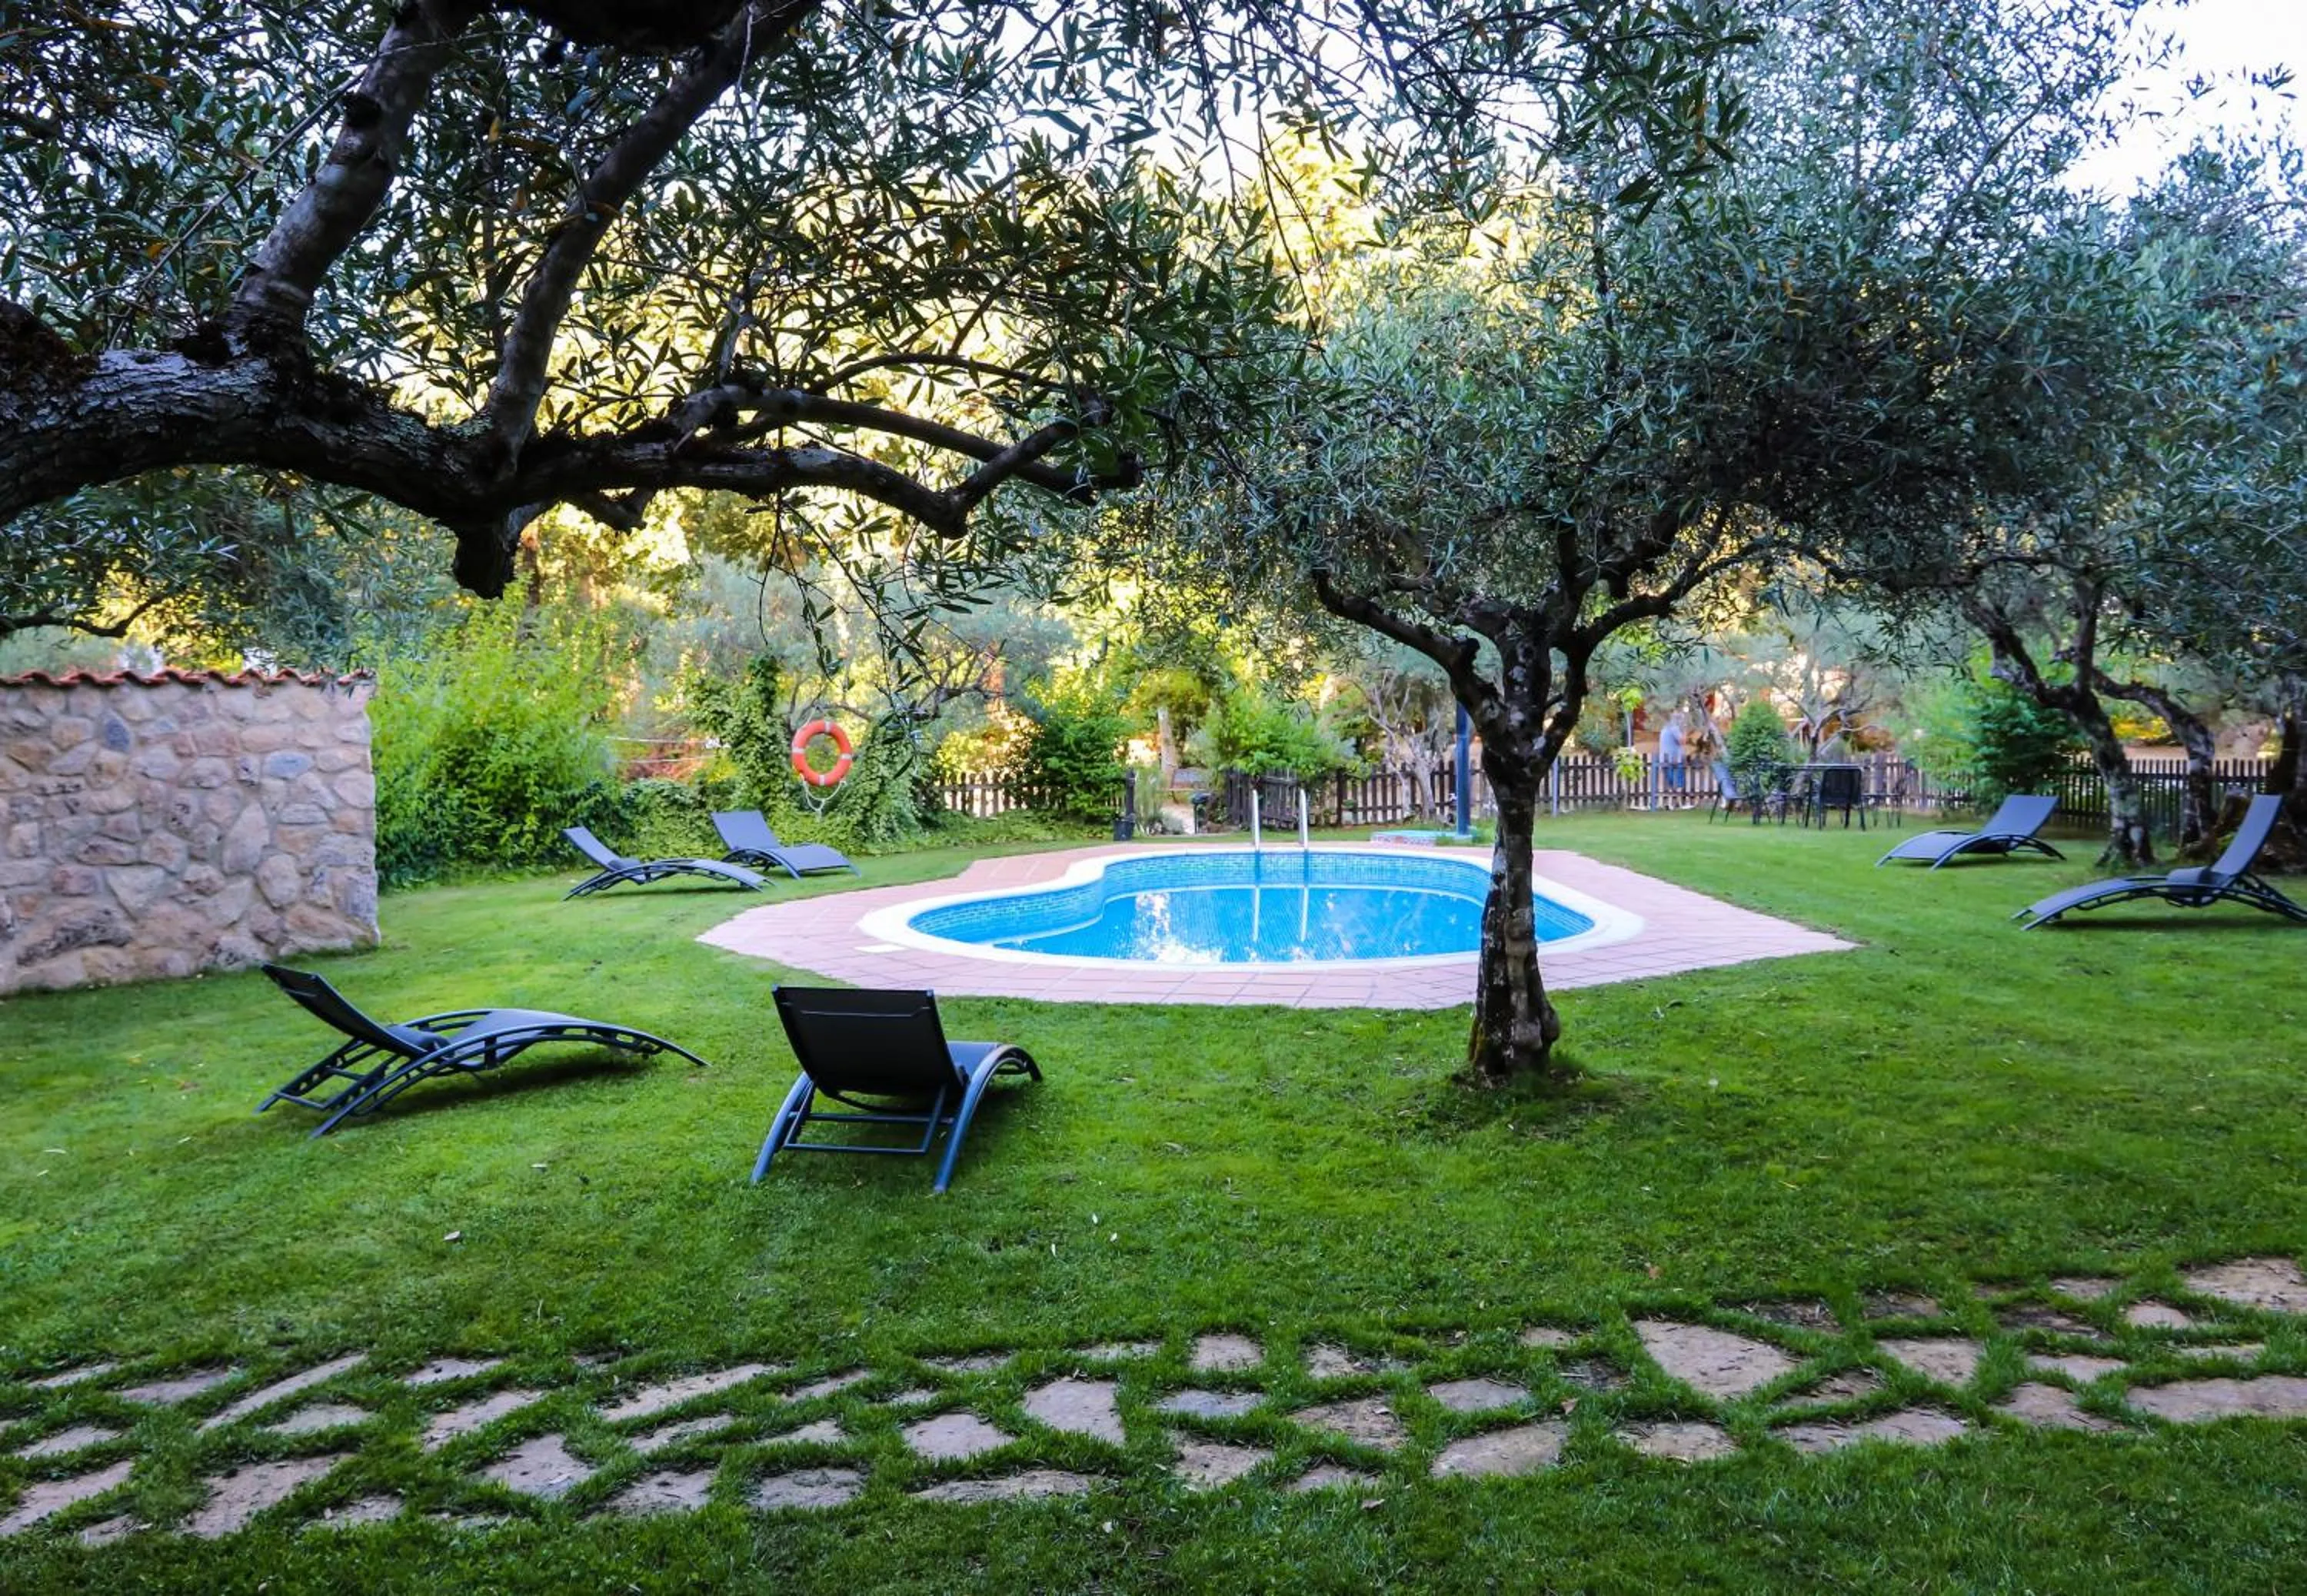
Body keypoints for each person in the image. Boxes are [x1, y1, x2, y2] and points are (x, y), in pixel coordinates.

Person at [1660, 710, 1689, 808]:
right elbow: (1683, 741)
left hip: (1665, 759)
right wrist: (1685, 730)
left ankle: (1672, 803)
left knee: (1671, 783)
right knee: (1678, 783)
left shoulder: (1665, 728)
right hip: (1674, 759)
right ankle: (1675, 803)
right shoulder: (1674, 728)